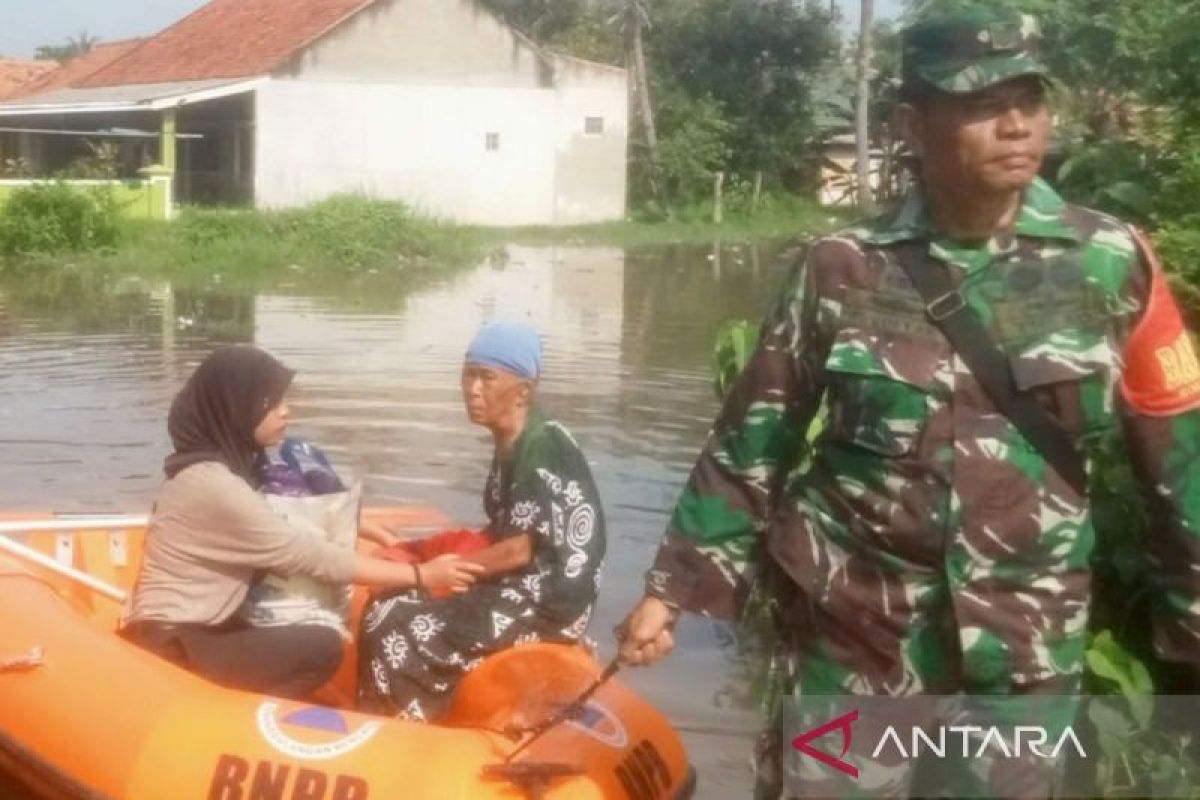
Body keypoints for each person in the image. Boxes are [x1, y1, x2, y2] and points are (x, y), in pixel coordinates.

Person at [616, 7, 1200, 795]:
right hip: (852, 634)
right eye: (981, 102)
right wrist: (671, 589)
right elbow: (754, 438)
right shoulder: (840, 268)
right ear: (912, 125)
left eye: (1030, 98)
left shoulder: (1112, 264)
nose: (1016, 123)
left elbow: (1178, 455)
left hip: (1023, 649)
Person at [121, 345, 481, 700]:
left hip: (200, 627)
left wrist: (367, 527)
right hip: (173, 644)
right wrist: (422, 576)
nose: (285, 413)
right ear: (236, 409)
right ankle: (237, 725)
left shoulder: (215, 468)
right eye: (270, 404)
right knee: (320, 647)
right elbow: (307, 555)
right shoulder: (214, 485)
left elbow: (284, 517)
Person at [358, 322, 606, 721]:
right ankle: (398, 716)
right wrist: (431, 563)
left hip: (547, 601)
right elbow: (506, 532)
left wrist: (440, 573)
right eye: (468, 375)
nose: (473, 389)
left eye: (487, 378)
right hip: (520, 584)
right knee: (388, 603)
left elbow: (519, 549)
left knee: (398, 626)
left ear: (523, 390)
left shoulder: (543, 446)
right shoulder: (514, 441)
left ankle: (406, 731)